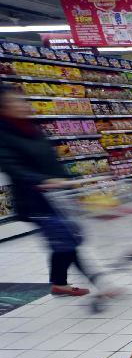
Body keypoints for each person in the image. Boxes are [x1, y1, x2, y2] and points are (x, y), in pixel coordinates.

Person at [0, 84, 98, 295]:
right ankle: (99, 282)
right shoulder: (4, 135)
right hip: (34, 199)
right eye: (13, 102)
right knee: (66, 240)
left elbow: (51, 160)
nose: (21, 105)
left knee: (66, 239)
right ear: (3, 108)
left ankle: (59, 283)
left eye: (21, 100)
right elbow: (12, 167)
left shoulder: (32, 128)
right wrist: (43, 180)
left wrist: (71, 179)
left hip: (55, 196)